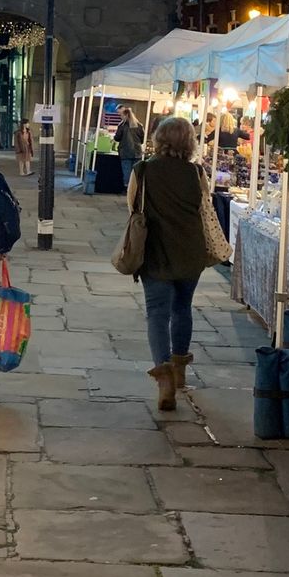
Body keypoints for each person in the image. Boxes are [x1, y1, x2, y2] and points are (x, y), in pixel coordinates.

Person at [126, 115, 208, 411]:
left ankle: (164, 379)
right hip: (190, 250)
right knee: (182, 308)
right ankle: (180, 367)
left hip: (156, 250)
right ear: (189, 142)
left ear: (158, 139)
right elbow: (204, 207)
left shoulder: (143, 170)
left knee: (157, 313)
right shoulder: (196, 172)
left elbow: (132, 204)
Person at [113, 104, 144, 190]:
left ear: (125, 115)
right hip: (137, 152)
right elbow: (142, 139)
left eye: (121, 115)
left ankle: (128, 190)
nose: (120, 117)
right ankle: (135, 190)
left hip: (125, 152)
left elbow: (117, 138)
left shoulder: (122, 126)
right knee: (136, 174)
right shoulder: (139, 125)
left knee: (127, 173)